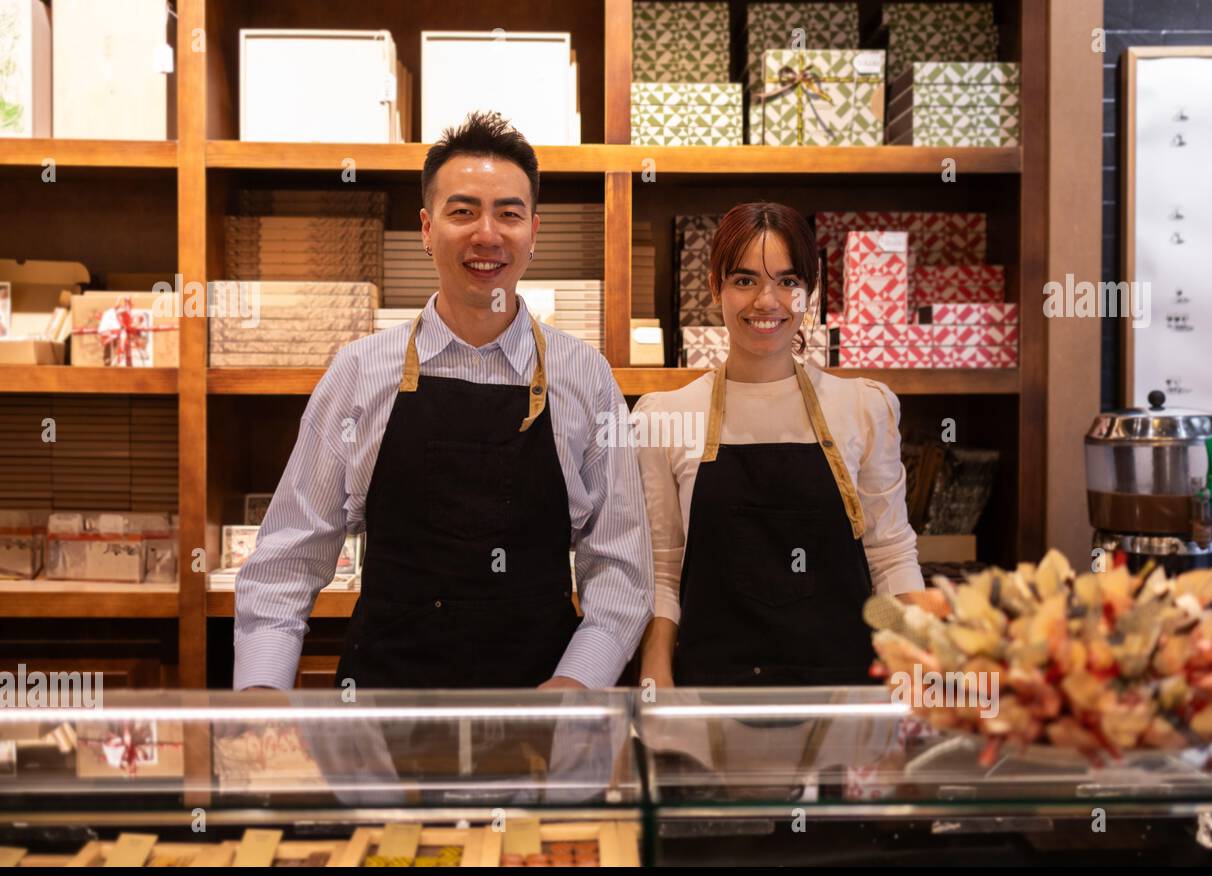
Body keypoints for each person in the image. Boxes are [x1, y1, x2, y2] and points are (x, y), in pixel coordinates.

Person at [233, 112, 653, 691]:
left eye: (508, 213)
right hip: (381, 727)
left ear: (535, 229)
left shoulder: (586, 377)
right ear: (427, 229)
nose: (487, 234)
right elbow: (287, 560)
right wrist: (260, 692)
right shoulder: (358, 372)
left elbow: (621, 571)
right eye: (463, 212)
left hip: (541, 726)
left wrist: (577, 687)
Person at [636, 202, 925, 687]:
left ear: (810, 293)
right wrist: (655, 673)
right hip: (710, 694)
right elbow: (662, 571)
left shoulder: (863, 408)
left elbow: (890, 558)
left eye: (788, 281)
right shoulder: (665, 418)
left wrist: (920, 655)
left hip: (844, 691)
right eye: (744, 280)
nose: (767, 301)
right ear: (715, 288)